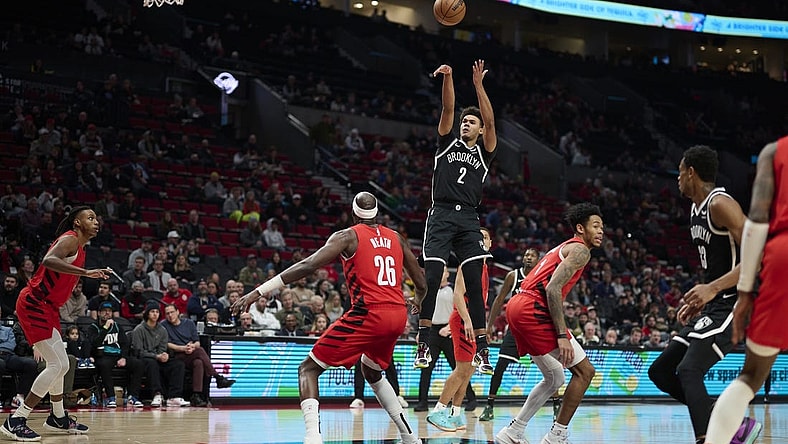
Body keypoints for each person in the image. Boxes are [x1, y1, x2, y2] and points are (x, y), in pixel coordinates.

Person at [233, 192, 426, 444]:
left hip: (369, 313)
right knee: (372, 371)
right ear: (377, 213)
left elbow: (308, 265)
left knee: (308, 369)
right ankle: (409, 436)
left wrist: (257, 291)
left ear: (354, 213)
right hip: (398, 315)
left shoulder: (347, 236)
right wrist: (418, 302)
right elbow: (422, 283)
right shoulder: (397, 238)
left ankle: (313, 437)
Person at [647, 145, 757, 444]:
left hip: (736, 300)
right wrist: (701, 297)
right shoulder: (696, 208)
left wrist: (713, 289)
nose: (677, 179)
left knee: (689, 369)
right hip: (716, 303)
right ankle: (735, 427)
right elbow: (719, 266)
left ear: (691, 172)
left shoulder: (720, 203)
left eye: (680, 172)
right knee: (661, 371)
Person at [495, 203, 603, 444]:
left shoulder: (561, 247)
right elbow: (553, 288)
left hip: (517, 305)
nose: (600, 231)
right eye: (595, 226)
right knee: (585, 372)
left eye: (602, 228)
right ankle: (557, 435)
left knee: (555, 377)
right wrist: (562, 334)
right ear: (580, 228)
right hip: (533, 308)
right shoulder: (580, 250)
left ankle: (513, 431)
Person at [415, 60, 497, 375]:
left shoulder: (485, 151)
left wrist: (478, 86)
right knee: (433, 278)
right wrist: (449, 78)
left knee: (474, 284)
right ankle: (423, 341)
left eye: (472, 122)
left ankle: (483, 350)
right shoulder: (447, 142)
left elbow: (490, 122)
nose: (467, 124)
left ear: (479, 129)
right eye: (466, 121)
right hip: (441, 214)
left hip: (468, 220)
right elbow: (448, 110)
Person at [704, 138, 788, 444]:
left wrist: (744, 292)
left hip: (782, 256)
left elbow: (757, 223)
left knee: (751, 376)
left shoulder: (774, 152)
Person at [1, 206, 107, 441]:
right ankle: (16, 419)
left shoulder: (80, 248)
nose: (96, 221)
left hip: (48, 307)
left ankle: (57, 417)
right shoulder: (69, 239)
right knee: (57, 364)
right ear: (77, 223)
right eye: (90, 217)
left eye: (96, 218)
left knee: (63, 364)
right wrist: (86, 273)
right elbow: (48, 260)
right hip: (34, 303)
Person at [426, 228, 492, 432]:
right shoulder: (469, 263)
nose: (483, 240)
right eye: (479, 237)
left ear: (490, 243)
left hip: (473, 321)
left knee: (469, 370)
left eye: (486, 237)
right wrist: (468, 320)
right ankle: (438, 410)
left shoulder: (483, 265)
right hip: (464, 320)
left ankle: (455, 413)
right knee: (462, 369)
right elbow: (457, 295)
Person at [480, 247, 540, 421]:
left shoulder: (541, 277)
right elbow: (499, 301)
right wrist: (489, 326)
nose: (528, 257)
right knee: (499, 368)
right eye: (526, 254)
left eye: (532, 255)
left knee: (551, 371)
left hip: (534, 330)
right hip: (515, 330)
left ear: (538, 260)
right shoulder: (513, 276)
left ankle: (557, 405)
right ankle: (489, 406)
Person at [414, 265, 476, 412]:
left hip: (449, 331)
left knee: (459, 368)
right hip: (432, 331)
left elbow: (460, 310)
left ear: (448, 274)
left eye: (443, 270)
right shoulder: (429, 290)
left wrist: (449, 327)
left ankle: (471, 399)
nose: (441, 273)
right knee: (426, 367)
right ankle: (422, 402)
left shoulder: (454, 290)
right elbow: (424, 313)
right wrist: (421, 332)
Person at [161, 304, 235, 407]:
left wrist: (191, 346)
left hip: (191, 352)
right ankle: (217, 377)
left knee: (199, 362)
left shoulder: (189, 323)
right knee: (199, 351)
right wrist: (183, 348)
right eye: (167, 313)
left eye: (172, 312)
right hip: (176, 355)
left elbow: (197, 342)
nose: (170, 315)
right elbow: (167, 344)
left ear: (178, 312)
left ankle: (196, 395)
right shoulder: (163, 325)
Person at [131, 301, 189, 408]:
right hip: (144, 359)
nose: (155, 314)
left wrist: (164, 355)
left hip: (158, 358)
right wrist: (156, 356)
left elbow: (162, 348)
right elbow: (138, 351)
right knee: (152, 363)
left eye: (157, 312)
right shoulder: (139, 330)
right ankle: (157, 394)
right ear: (147, 314)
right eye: (152, 312)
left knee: (178, 364)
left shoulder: (162, 330)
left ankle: (174, 397)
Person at [87, 301, 145, 408]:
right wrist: (105, 328)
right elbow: (95, 343)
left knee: (138, 364)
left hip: (118, 355)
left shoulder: (117, 326)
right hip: (102, 355)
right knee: (104, 365)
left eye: (109, 311)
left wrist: (123, 357)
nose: (107, 313)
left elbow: (125, 344)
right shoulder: (93, 327)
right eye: (104, 311)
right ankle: (111, 397)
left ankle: (133, 397)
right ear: (99, 313)